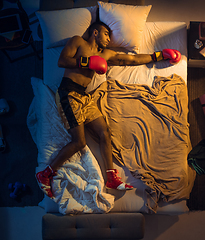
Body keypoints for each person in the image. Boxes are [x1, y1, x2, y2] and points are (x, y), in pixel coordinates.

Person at [36, 21, 181, 198]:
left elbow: (132, 60)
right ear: (95, 32)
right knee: (79, 142)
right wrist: (88, 62)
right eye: (106, 34)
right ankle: (45, 174)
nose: (109, 39)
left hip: (84, 96)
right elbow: (62, 61)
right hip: (68, 93)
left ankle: (111, 178)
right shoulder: (78, 42)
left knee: (104, 132)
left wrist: (158, 56)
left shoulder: (105, 54)